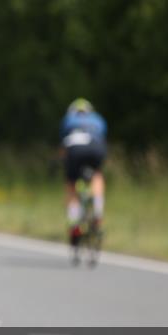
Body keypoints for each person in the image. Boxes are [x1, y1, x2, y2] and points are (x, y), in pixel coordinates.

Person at [59, 98, 107, 246]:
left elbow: (63, 148)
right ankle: (98, 211)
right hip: (96, 148)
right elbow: (103, 139)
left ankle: (74, 224)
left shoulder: (68, 119)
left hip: (75, 150)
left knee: (72, 186)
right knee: (97, 175)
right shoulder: (98, 119)